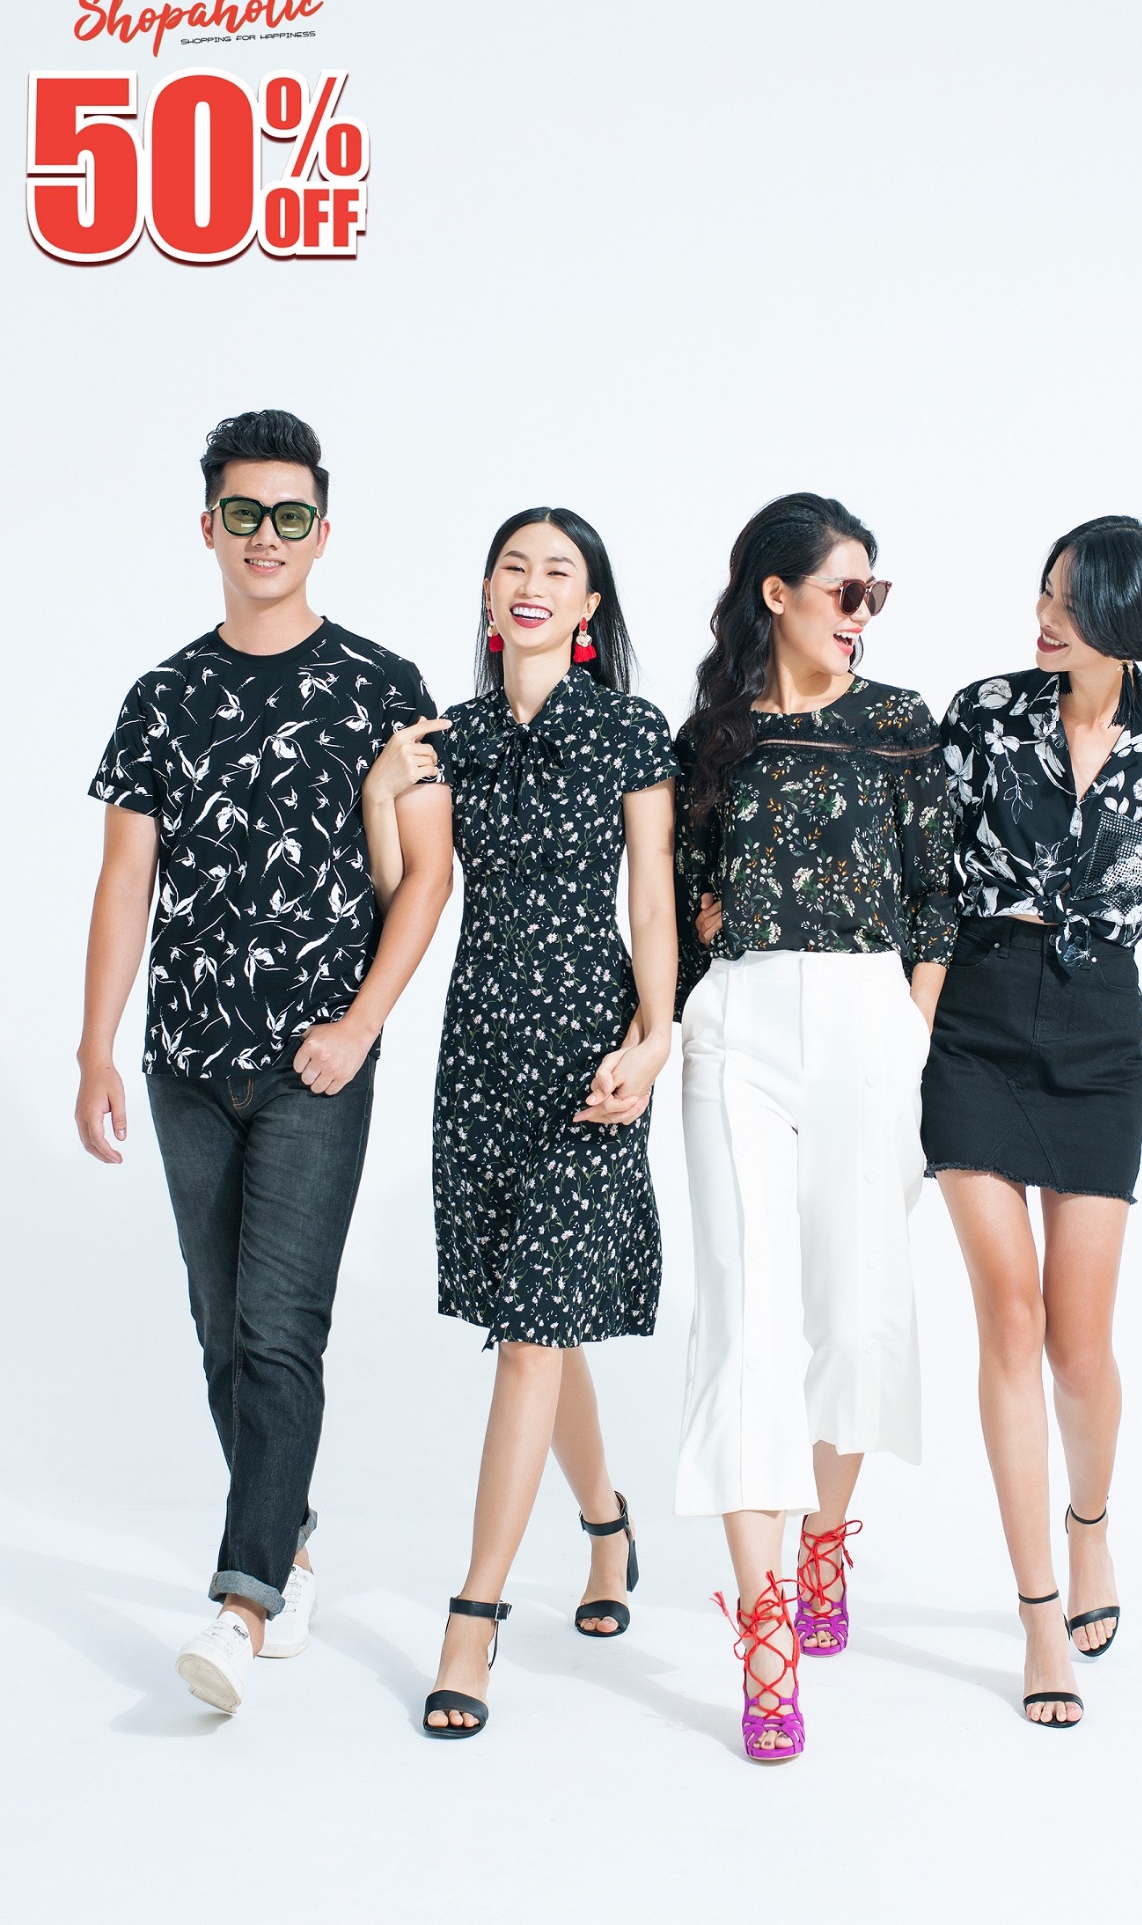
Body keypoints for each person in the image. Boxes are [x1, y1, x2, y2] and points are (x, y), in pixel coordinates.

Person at [76, 410, 451, 1715]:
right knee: (221, 1328)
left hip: (315, 1065)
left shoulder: (385, 687)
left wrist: (362, 1023)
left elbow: (428, 876)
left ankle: (241, 1606)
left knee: (282, 1326)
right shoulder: (161, 698)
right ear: (210, 528)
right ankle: (285, 1536)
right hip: (185, 1058)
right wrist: (94, 1047)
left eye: (291, 516)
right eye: (244, 514)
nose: (267, 537)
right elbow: (125, 882)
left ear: (322, 532)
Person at [362, 506, 678, 1740]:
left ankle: (472, 1618)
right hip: (485, 1051)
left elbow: (651, 897)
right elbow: (412, 895)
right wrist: (384, 795)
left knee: (532, 1337)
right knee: (535, 1323)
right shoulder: (454, 738)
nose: (532, 582)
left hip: (595, 1050)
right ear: (490, 595)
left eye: (559, 569)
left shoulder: (630, 729)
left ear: (589, 607)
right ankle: (607, 1527)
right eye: (513, 564)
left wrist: (652, 1039)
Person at [922, 515, 1142, 1727]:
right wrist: (912, 1023)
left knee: (1079, 1347)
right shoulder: (984, 713)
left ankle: (1089, 1524)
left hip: (1102, 1035)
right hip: (975, 1019)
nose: (1044, 617)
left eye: (1070, 602)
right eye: (1045, 591)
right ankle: (1039, 1613)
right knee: (1010, 1315)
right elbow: (927, 881)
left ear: (1128, 620)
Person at [672, 493, 956, 1760]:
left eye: (874, 594)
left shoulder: (898, 723)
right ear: (776, 593)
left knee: (854, 1314)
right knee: (745, 1319)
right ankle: (766, 1627)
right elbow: (680, 895)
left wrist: (909, 1026)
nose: (862, 613)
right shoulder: (711, 735)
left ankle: (825, 1536)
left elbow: (937, 894)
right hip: (737, 1028)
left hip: (867, 1018)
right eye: (847, 590)